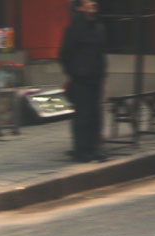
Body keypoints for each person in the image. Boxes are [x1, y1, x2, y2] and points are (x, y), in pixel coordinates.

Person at [60, 0, 106, 162]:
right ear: (80, 7)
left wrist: (101, 72)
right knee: (83, 116)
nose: (93, 4)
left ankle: (95, 149)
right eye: (89, 2)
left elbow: (100, 53)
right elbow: (65, 55)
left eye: (94, 2)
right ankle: (81, 151)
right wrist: (75, 73)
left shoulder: (98, 27)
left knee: (95, 115)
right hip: (81, 80)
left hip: (96, 78)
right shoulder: (74, 29)